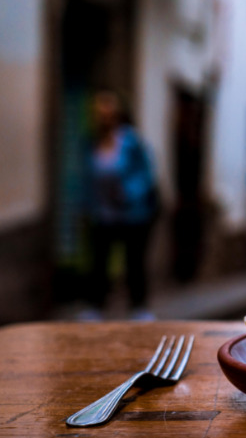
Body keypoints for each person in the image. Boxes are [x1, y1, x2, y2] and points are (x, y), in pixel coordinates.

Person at [82, 90, 159, 320]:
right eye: (100, 112)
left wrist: (129, 194)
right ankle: (95, 306)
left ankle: (139, 307)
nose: (104, 117)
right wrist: (86, 205)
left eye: (109, 111)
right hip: (102, 214)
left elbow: (146, 173)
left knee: (134, 261)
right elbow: (87, 177)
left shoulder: (131, 141)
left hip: (132, 214)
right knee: (99, 261)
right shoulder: (91, 143)